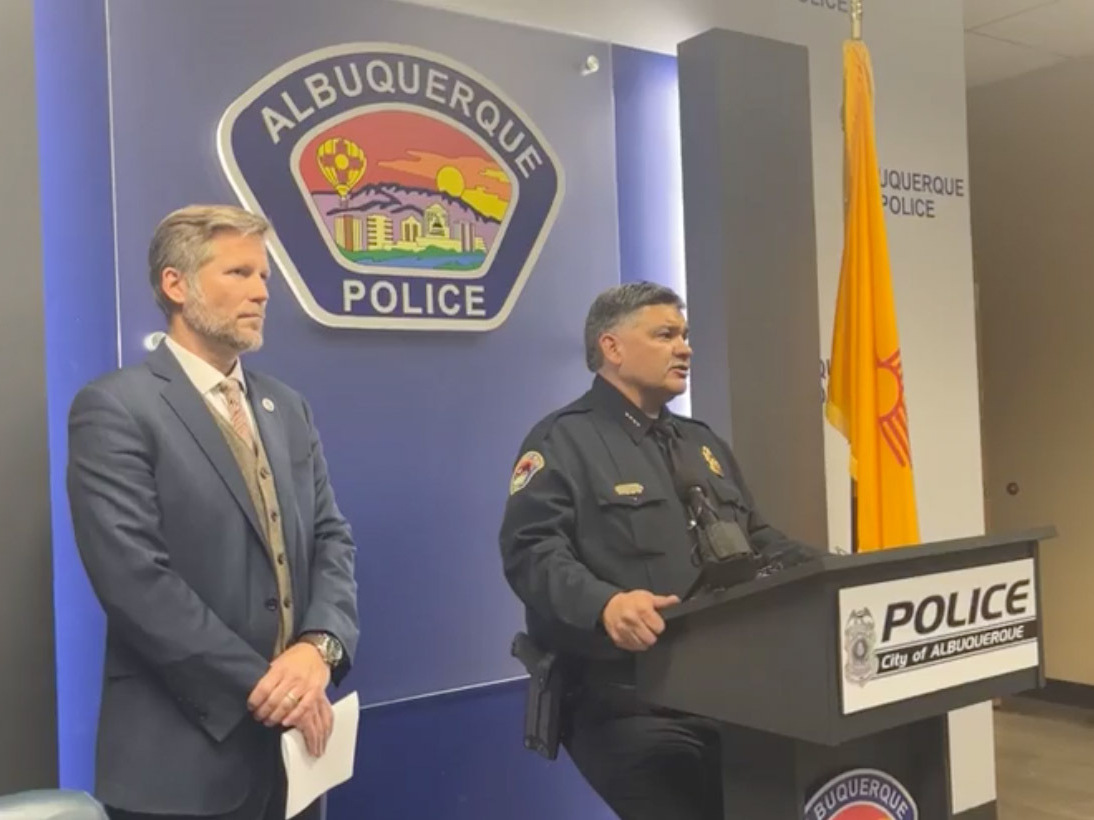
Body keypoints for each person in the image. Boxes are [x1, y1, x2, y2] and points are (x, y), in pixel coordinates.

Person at [67, 205, 359, 820]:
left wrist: (320, 646)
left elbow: (331, 538)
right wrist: (267, 686)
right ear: (176, 285)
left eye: (264, 278)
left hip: (294, 760)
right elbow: (134, 582)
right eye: (239, 274)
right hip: (179, 768)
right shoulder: (116, 408)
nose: (260, 292)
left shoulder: (286, 407)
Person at [499, 281, 821, 820]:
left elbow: (759, 539)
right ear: (612, 348)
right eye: (665, 334)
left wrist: (835, 572)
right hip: (625, 700)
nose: (685, 347)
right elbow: (531, 554)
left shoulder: (701, 444)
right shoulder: (562, 441)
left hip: (729, 690)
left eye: (686, 334)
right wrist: (604, 604)